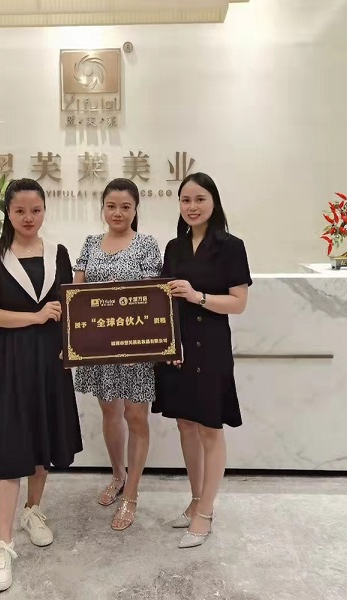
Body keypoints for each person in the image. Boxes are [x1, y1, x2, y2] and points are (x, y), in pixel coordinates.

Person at [0, 178, 83, 592]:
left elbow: (70, 307)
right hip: (13, 362)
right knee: (10, 448)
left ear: (44, 210)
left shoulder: (58, 254)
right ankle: (3, 545)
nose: (28, 218)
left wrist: (72, 342)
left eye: (35, 210)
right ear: (8, 212)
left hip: (51, 362)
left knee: (43, 440)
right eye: (20, 211)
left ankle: (33, 510)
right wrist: (35, 317)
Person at [152, 172, 252, 549]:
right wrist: (167, 344)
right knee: (185, 424)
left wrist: (198, 296)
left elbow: (238, 303)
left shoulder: (231, 246)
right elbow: (162, 300)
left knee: (210, 428)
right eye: (185, 200)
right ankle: (195, 500)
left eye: (199, 199)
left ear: (214, 202)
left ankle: (206, 511)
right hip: (178, 349)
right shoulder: (174, 247)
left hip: (210, 346)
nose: (192, 207)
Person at [73, 178, 163, 530]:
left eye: (126, 206)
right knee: (110, 412)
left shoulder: (147, 244)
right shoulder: (90, 244)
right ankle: (118, 475)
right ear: (103, 208)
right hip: (100, 347)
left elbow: (153, 295)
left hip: (136, 346)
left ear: (136, 209)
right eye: (111, 206)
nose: (118, 213)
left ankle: (132, 494)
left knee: (136, 416)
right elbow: (77, 293)